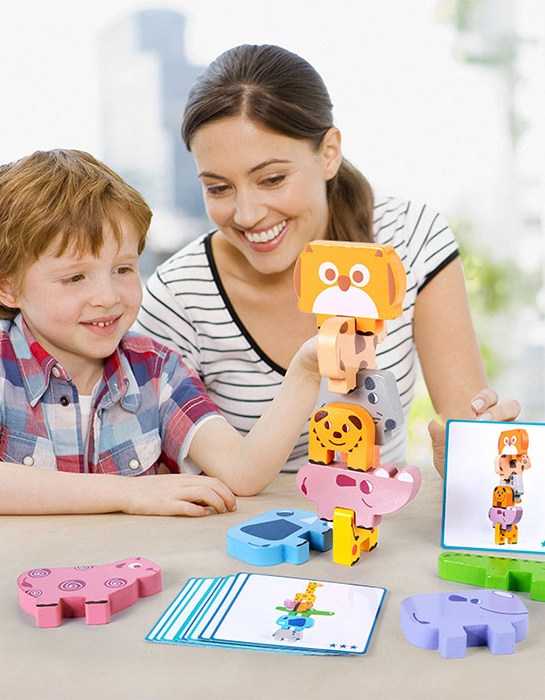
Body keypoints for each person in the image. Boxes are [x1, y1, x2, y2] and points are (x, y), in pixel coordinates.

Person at [136, 44, 520, 475]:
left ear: (329, 152)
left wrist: (469, 451)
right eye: (218, 188)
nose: (246, 214)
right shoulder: (178, 296)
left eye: (272, 179)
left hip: (374, 512)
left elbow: (465, 436)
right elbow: (163, 477)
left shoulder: (408, 237)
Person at [0, 149, 320, 516]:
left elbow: (242, 471)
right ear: (8, 288)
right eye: (75, 277)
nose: (108, 297)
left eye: (122, 269)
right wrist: (131, 493)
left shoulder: (157, 369)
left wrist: (306, 371)